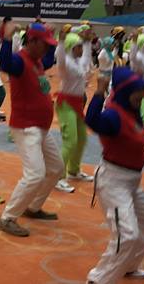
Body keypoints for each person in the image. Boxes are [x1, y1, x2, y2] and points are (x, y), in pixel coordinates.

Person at [84, 68, 144, 283]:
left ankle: (129, 264)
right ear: (126, 91)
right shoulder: (114, 115)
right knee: (127, 234)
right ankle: (98, 279)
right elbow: (92, 120)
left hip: (133, 181)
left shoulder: (133, 112)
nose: (141, 96)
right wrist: (99, 91)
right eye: (137, 92)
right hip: (113, 181)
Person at [0, 23, 61, 238]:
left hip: (40, 128)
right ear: (31, 41)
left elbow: (51, 58)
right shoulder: (20, 61)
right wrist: (6, 39)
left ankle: (33, 207)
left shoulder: (38, 61)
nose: (46, 49)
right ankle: (7, 217)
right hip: (26, 127)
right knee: (35, 174)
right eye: (43, 44)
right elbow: (4, 63)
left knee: (56, 169)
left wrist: (51, 35)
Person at [54, 29, 94, 193]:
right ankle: (58, 177)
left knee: (82, 138)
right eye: (78, 47)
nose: (81, 50)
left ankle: (73, 171)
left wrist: (87, 41)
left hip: (77, 103)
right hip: (65, 104)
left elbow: (87, 57)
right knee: (70, 141)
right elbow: (60, 58)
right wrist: (62, 41)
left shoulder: (78, 62)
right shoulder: (66, 64)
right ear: (70, 48)